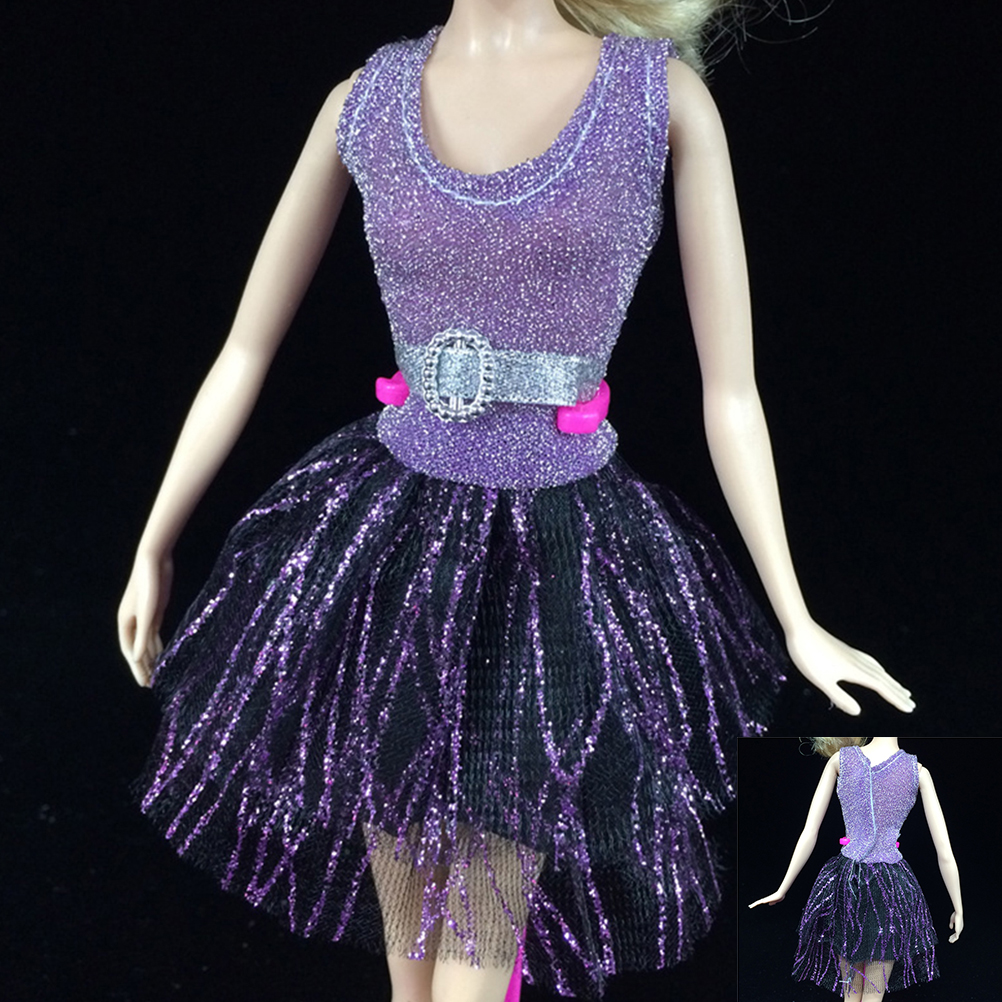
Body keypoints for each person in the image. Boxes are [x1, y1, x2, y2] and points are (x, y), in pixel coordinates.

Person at [118, 2, 913, 1000]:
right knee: (411, 956)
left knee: (478, 936)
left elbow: (732, 393)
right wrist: (155, 541)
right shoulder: (365, 102)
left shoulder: (656, 100)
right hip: (396, 557)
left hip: (549, 561)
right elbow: (245, 347)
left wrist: (796, 616)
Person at [749, 737, 963, 998]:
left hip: (848, 882)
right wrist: (958, 907)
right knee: (870, 993)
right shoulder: (917, 772)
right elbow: (945, 852)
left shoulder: (842, 760)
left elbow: (809, 832)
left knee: (852, 992)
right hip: (887, 885)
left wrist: (783, 888)